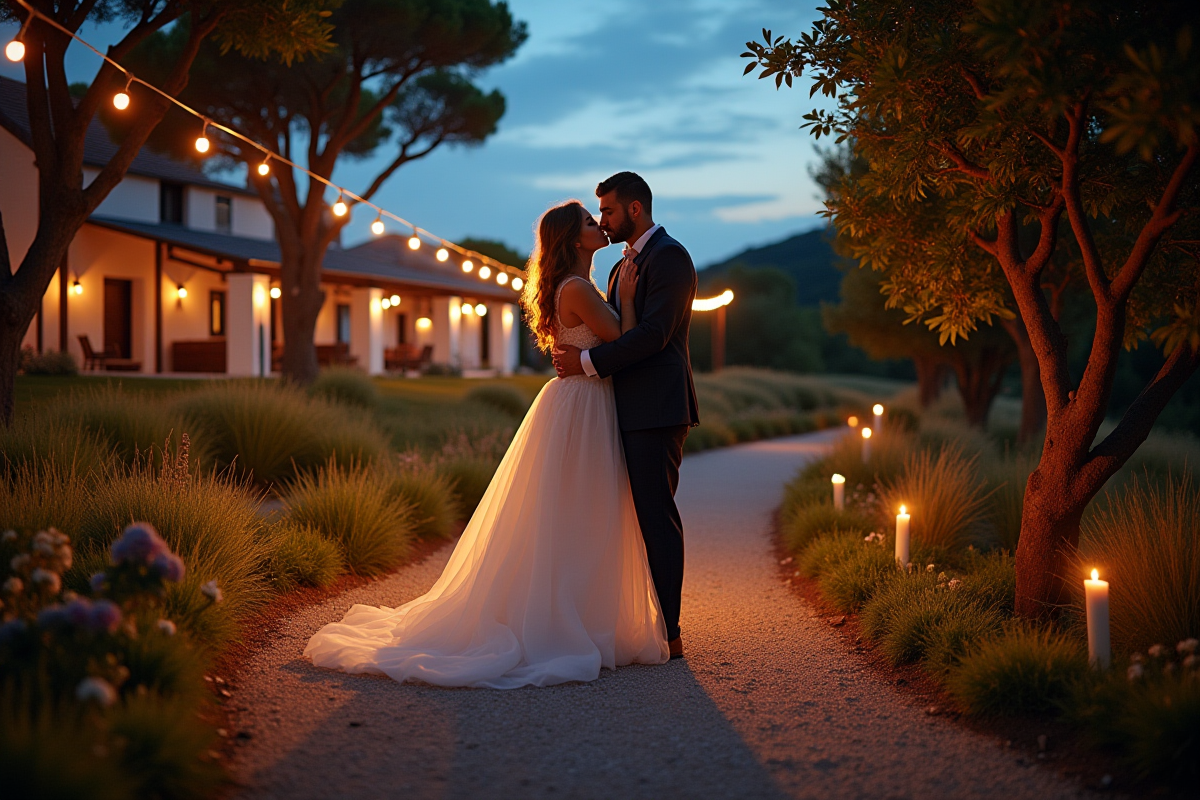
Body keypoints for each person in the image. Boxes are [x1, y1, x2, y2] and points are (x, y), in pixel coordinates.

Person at [304, 199, 669, 689]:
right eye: (588, 221)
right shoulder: (579, 287)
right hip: (583, 403)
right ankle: (566, 622)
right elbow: (625, 336)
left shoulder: (577, 284)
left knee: (575, 512)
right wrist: (627, 295)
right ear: (570, 238)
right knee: (582, 510)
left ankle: (579, 614)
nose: (598, 225)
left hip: (580, 399)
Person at [552, 172, 699, 659]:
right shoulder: (619, 269)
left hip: (656, 409)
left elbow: (653, 336)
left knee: (656, 517)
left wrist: (585, 363)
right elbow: (617, 329)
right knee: (619, 520)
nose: (603, 221)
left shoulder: (671, 258)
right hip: (617, 410)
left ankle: (670, 632)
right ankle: (621, 622)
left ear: (635, 210)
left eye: (609, 212)